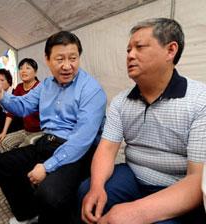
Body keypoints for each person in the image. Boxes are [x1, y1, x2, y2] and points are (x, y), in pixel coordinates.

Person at [80, 18, 206, 224]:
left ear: (170, 50)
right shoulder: (121, 102)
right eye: (128, 49)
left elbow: (197, 179)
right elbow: (107, 149)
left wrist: (135, 212)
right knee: (87, 193)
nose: (130, 55)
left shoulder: (200, 100)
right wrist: (96, 187)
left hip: (177, 185)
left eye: (139, 47)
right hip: (134, 174)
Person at [0, 31, 107, 224]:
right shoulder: (45, 85)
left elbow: (82, 140)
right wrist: (1, 97)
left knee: (49, 193)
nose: (67, 66)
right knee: (1, 164)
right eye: (59, 59)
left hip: (77, 151)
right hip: (46, 142)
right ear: (47, 60)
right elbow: (22, 106)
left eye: (73, 58)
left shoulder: (91, 89)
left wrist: (47, 167)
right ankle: (28, 214)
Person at [0, 58, 42, 152]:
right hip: (26, 130)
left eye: (28, 68)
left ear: (35, 72)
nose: (23, 71)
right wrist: (3, 132)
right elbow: (11, 111)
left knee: (22, 149)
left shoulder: (40, 87)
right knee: (4, 142)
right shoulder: (19, 87)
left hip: (41, 131)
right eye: (21, 68)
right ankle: (7, 165)